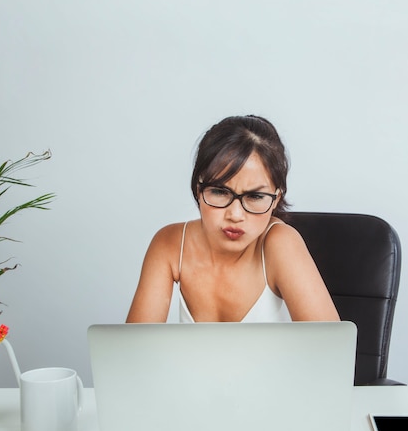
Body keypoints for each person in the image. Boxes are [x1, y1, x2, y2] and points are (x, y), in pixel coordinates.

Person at [126, 115, 340, 323]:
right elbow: (133, 351)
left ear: (276, 199)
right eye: (220, 192)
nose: (235, 215)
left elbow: (330, 352)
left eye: (255, 196)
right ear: (198, 189)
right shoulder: (170, 245)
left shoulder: (281, 243)